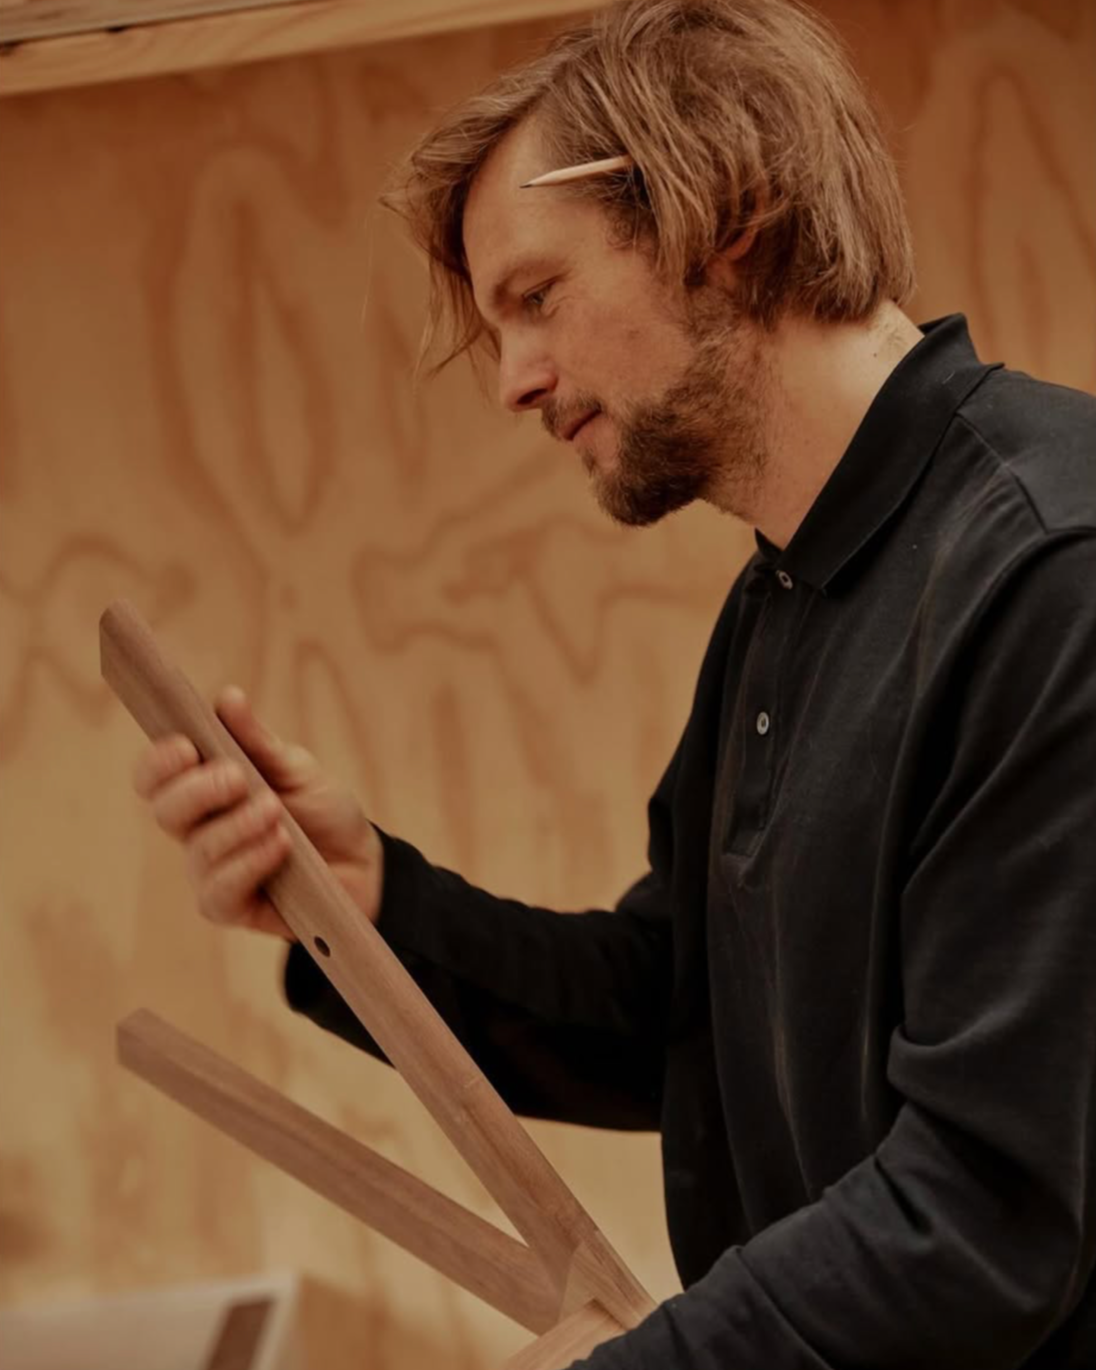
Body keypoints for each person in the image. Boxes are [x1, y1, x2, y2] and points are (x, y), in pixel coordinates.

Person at [131, 0, 1096, 1364]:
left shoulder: (1053, 575)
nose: (515, 382)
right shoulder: (786, 596)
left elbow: (987, 1210)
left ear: (730, 216)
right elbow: (680, 1015)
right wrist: (372, 904)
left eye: (537, 297)